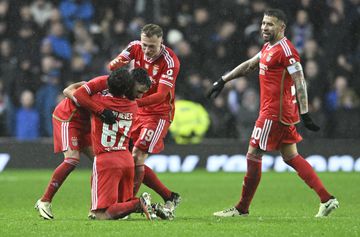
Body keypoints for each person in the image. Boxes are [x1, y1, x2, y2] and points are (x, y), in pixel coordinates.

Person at [208, 9, 339, 218]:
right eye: (263, 23)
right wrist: (223, 80)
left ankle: (242, 208)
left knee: (253, 154)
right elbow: (250, 65)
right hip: (280, 113)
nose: (264, 27)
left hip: (273, 113)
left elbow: (300, 81)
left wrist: (305, 113)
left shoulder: (286, 50)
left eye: (269, 24)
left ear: (281, 27)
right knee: (291, 156)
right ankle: (326, 198)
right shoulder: (269, 47)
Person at [108, 24, 181, 209]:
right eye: (145, 45)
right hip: (137, 112)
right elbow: (112, 65)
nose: (147, 50)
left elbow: (161, 95)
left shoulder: (170, 61)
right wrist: (119, 66)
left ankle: (126, 203)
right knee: (125, 158)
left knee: (137, 155)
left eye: (152, 46)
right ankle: (169, 196)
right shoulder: (134, 47)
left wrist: (133, 102)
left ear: (161, 42)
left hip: (158, 114)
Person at [34, 75, 120, 220]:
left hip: (86, 126)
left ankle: (96, 208)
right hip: (68, 119)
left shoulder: (117, 96)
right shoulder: (94, 86)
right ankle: (44, 201)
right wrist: (85, 102)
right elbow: (67, 90)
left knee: (101, 162)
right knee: (72, 160)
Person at [87, 68, 154, 220]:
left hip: (107, 159)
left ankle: (138, 204)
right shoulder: (133, 106)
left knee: (100, 214)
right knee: (121, 213)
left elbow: (75, 93)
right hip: (126, 158)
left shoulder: (99, 101)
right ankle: (144, 206)